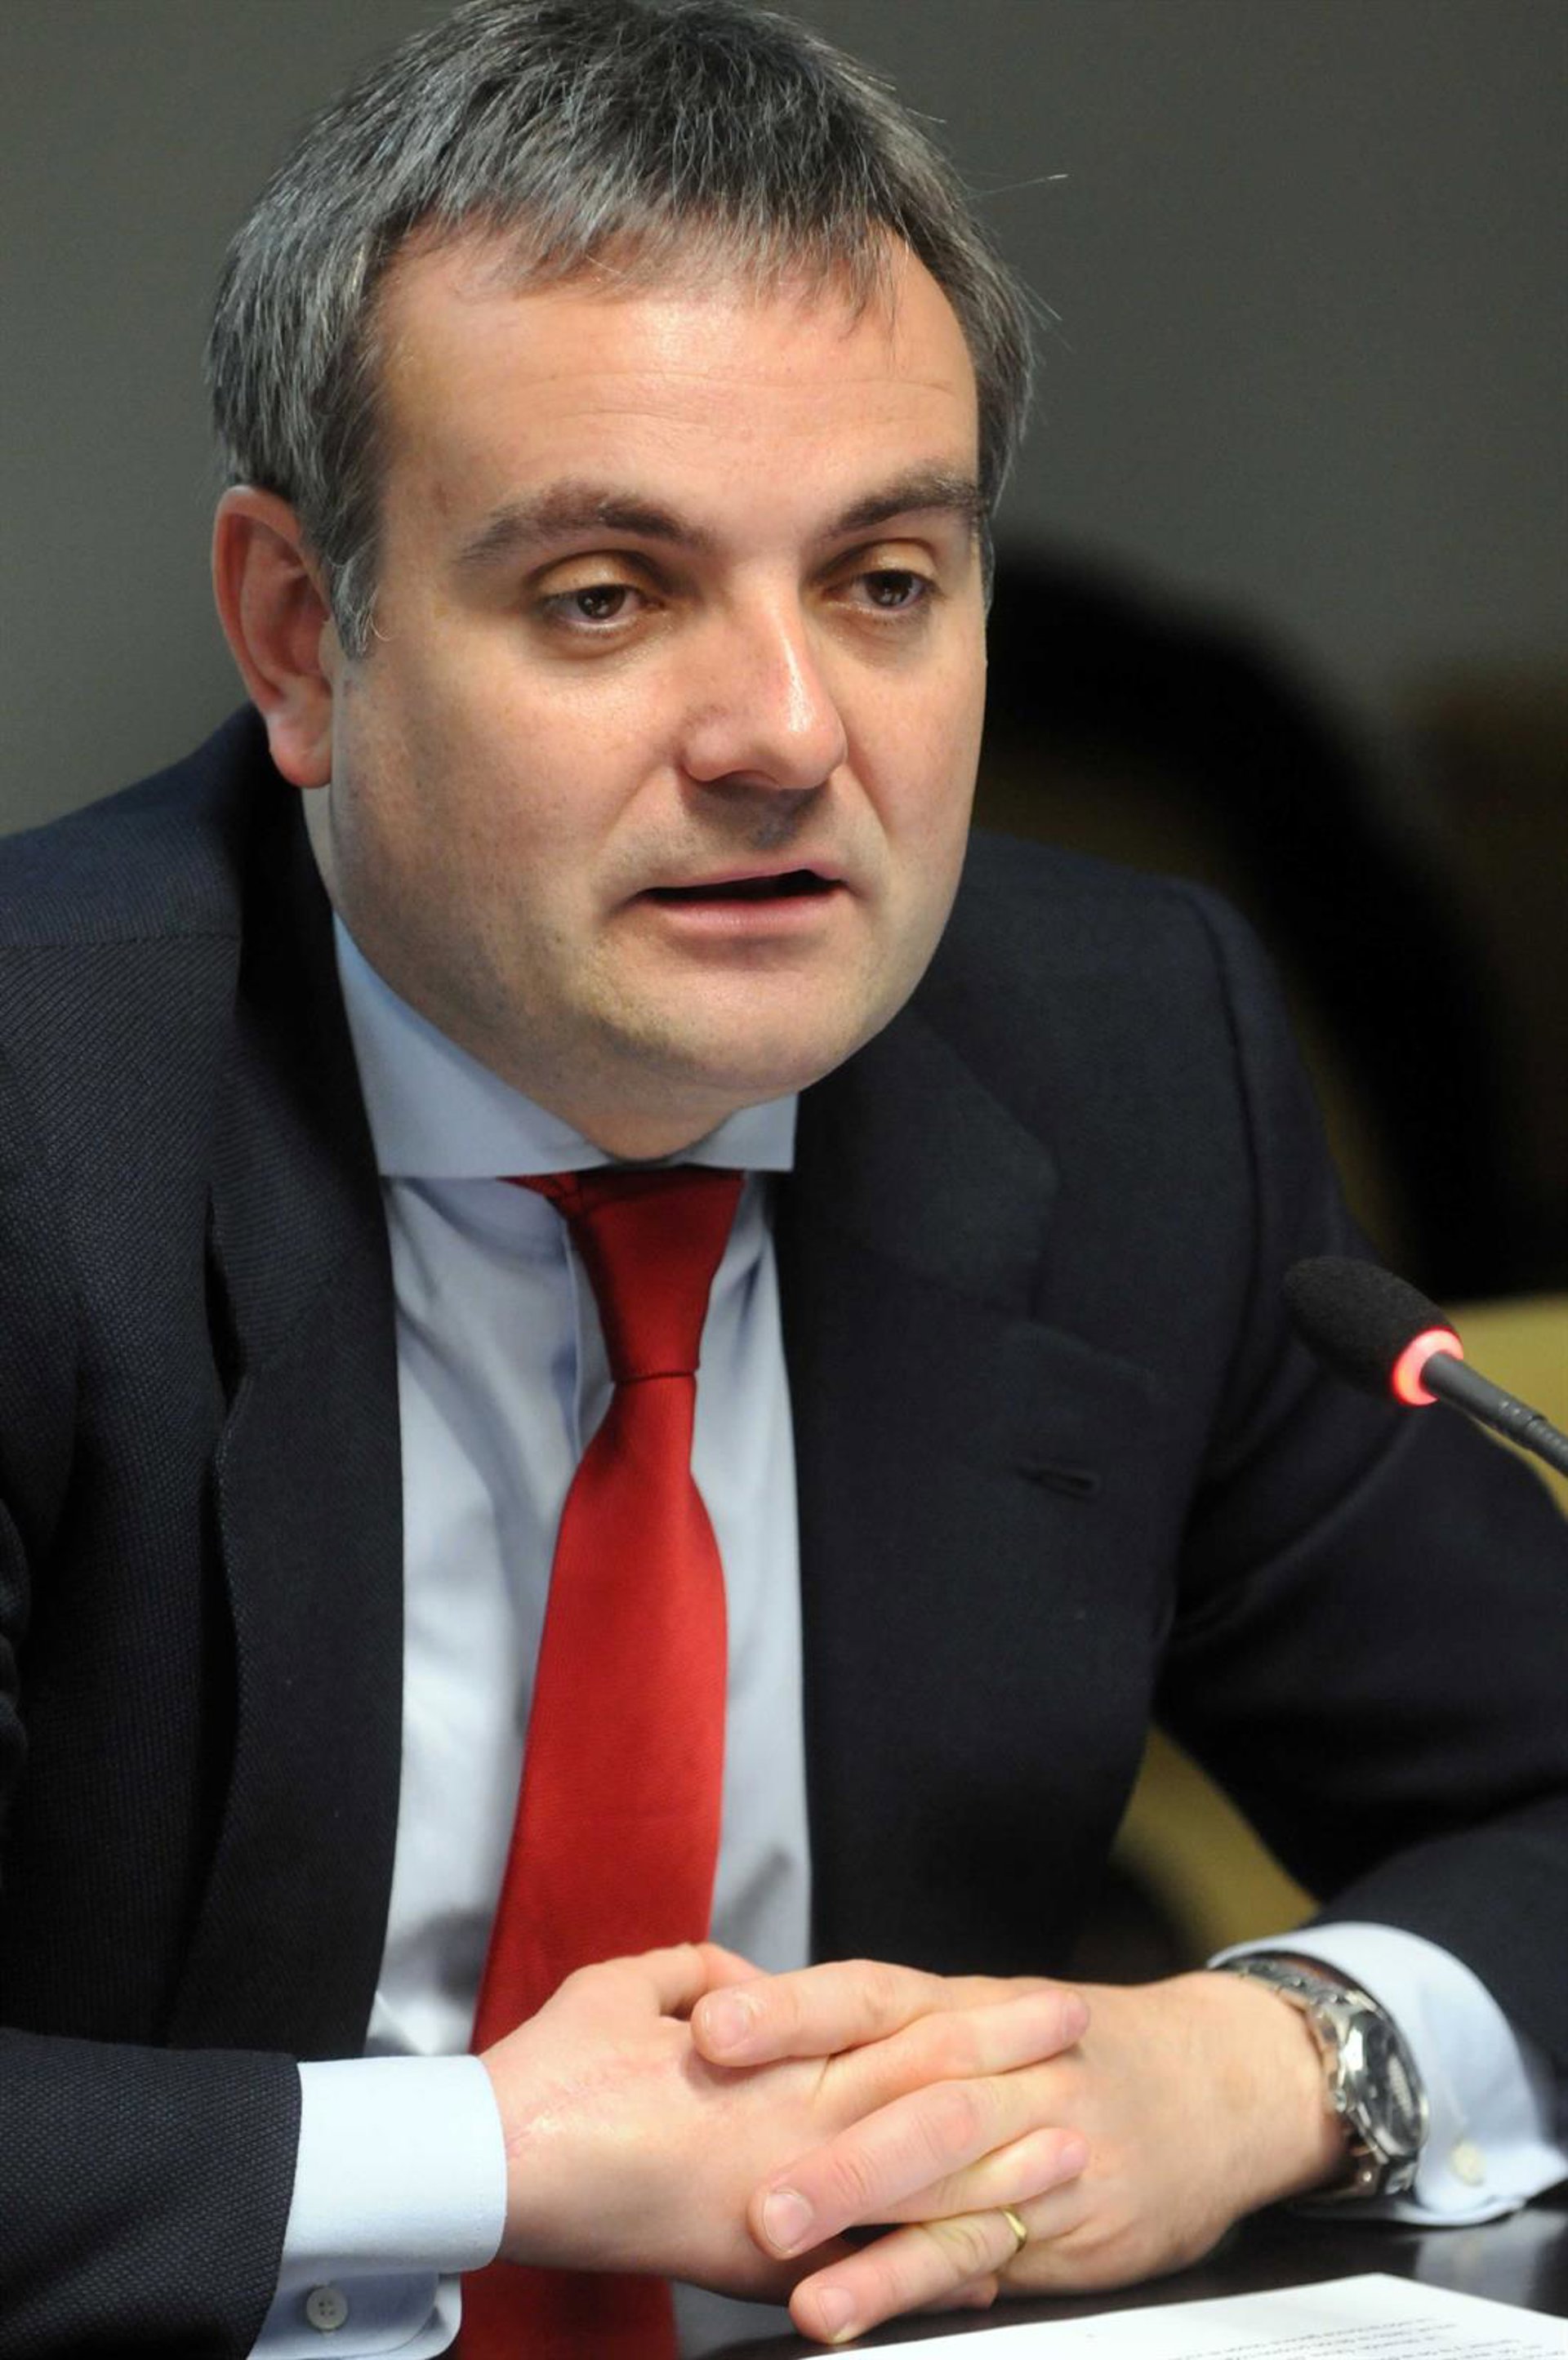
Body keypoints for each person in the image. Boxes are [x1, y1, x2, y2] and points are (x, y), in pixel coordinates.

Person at [0, 3, 1564, 2355]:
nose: (787, 735)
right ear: (303, 638)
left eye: (885, 580)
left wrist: (1262, 2066)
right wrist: (485, 2153)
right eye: (607, 594)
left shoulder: (1124, 1062)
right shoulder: (41, 1116)